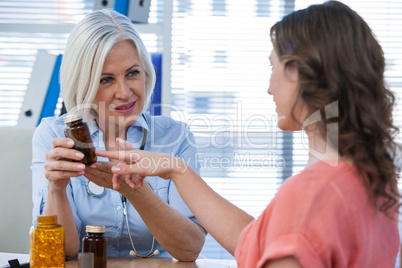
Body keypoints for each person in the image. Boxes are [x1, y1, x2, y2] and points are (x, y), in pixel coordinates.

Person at [97, 1, 401, 267]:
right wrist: (177, 169)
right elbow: (258, 241)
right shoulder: (376, 184)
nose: (269, 88)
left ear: (295, 71)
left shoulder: (311, 196)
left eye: (273, 67)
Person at [31, 9, 205, 260]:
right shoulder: (53, 135)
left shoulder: (176, 137)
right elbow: (62, 253)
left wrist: (137, 192)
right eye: (106, 79)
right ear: (83, 85)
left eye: (132, 73)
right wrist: (56, 189)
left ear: (145, 72)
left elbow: (189, 249)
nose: (124, 92)